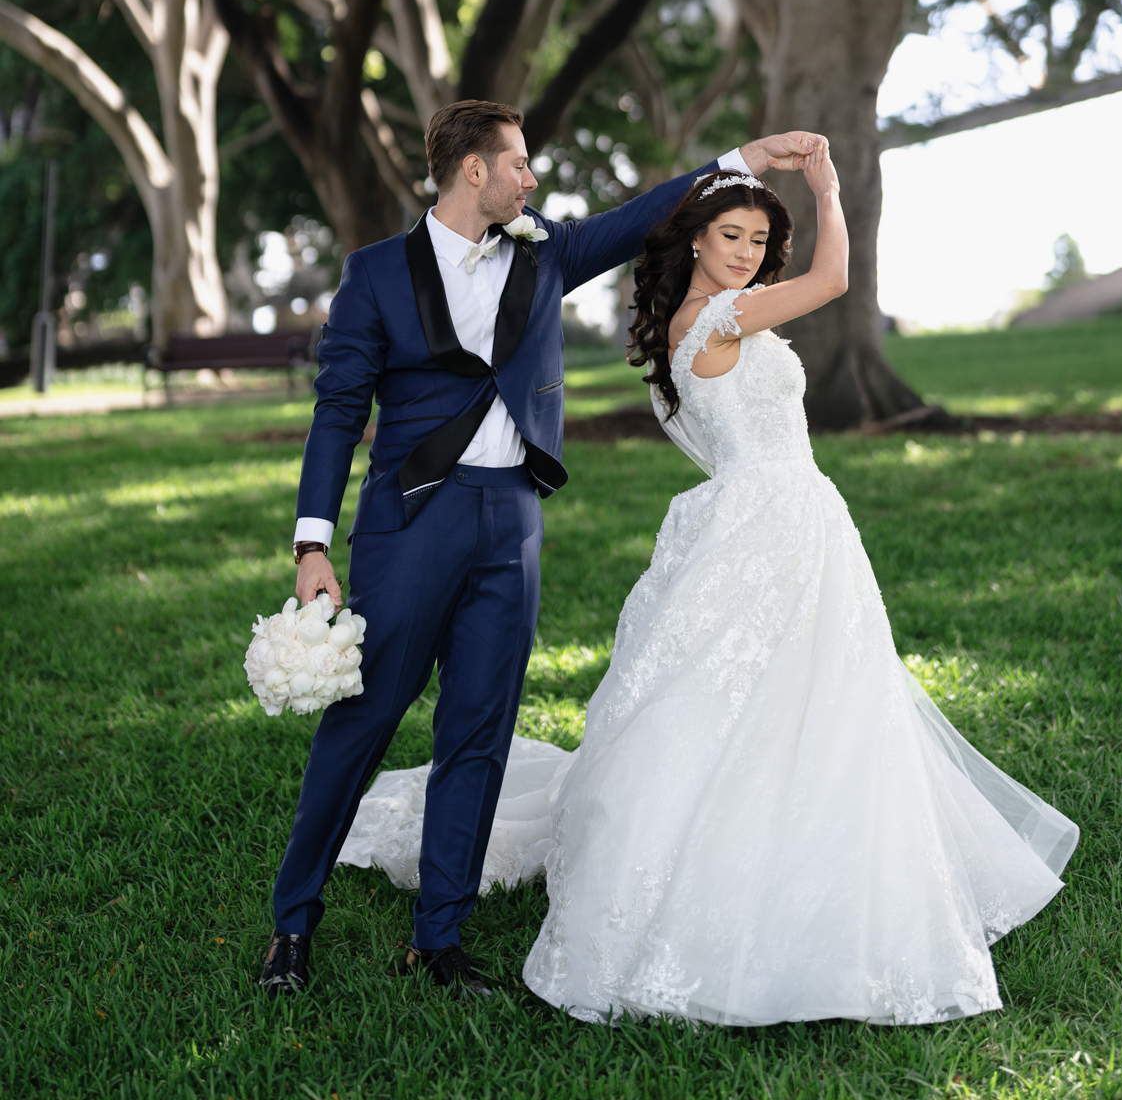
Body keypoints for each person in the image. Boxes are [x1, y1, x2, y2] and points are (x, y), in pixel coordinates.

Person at [258, 97, 824, 1000]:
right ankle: (293, 924)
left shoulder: (544, 252)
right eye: (517, 163)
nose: (531, 178)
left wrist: (745, 157)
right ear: (472, 170)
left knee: (479, 729)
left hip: (511, 517)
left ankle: (439, 939)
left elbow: (645, 214)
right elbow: (337, 413)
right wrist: (312, 545)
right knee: (364, 720)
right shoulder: (375, 274)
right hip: (411, 520)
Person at [520, 144, 1079, 1025]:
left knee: (792, 694)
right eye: (730, 235)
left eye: (757, 239)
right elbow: (833, 280)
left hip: (774, 515)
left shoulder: (689, 323)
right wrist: (825, 187)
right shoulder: (721, 316)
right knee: (793, 693)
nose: (746, 252)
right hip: (776, 518)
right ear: (695, 239)